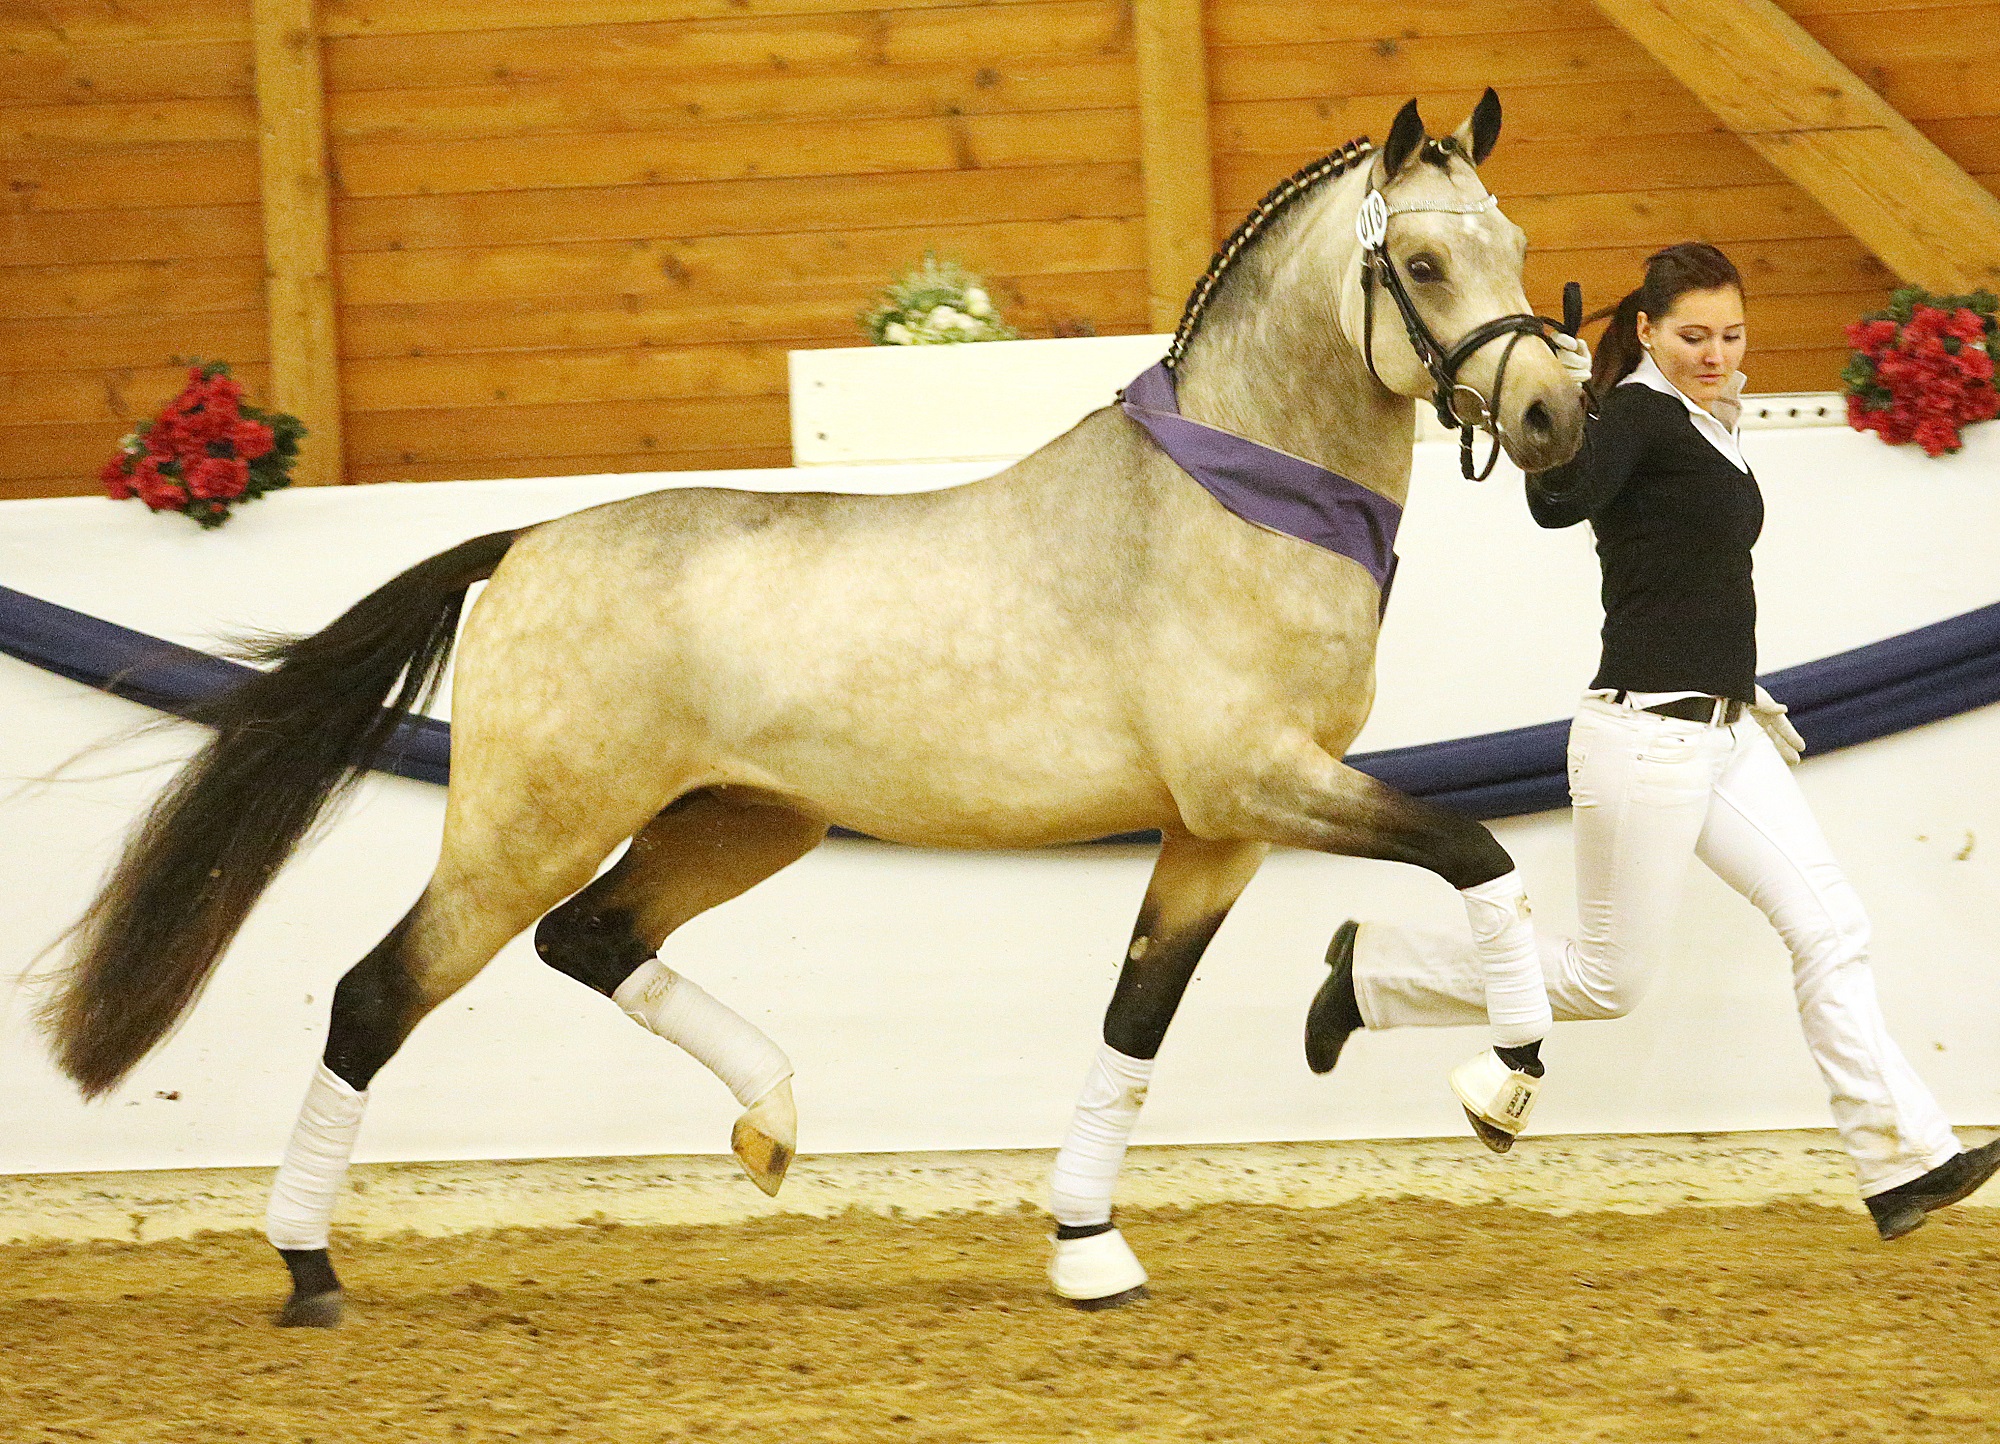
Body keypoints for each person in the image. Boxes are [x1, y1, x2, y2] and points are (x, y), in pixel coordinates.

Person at [1304, 241, 2000, 1240]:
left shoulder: (1694, 418)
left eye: (1728, 335)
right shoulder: (1631, 412)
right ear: (1645, 330)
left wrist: (1736, 684)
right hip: (1644, 740)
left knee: (1829, 929)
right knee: (1606, 980)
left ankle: (1901, 1161)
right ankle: (1375, 974)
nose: (1714, 352)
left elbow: (1689, 574)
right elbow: (1556, 504)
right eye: (1692, 336)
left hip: (1721, 732)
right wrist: (1575, 413)